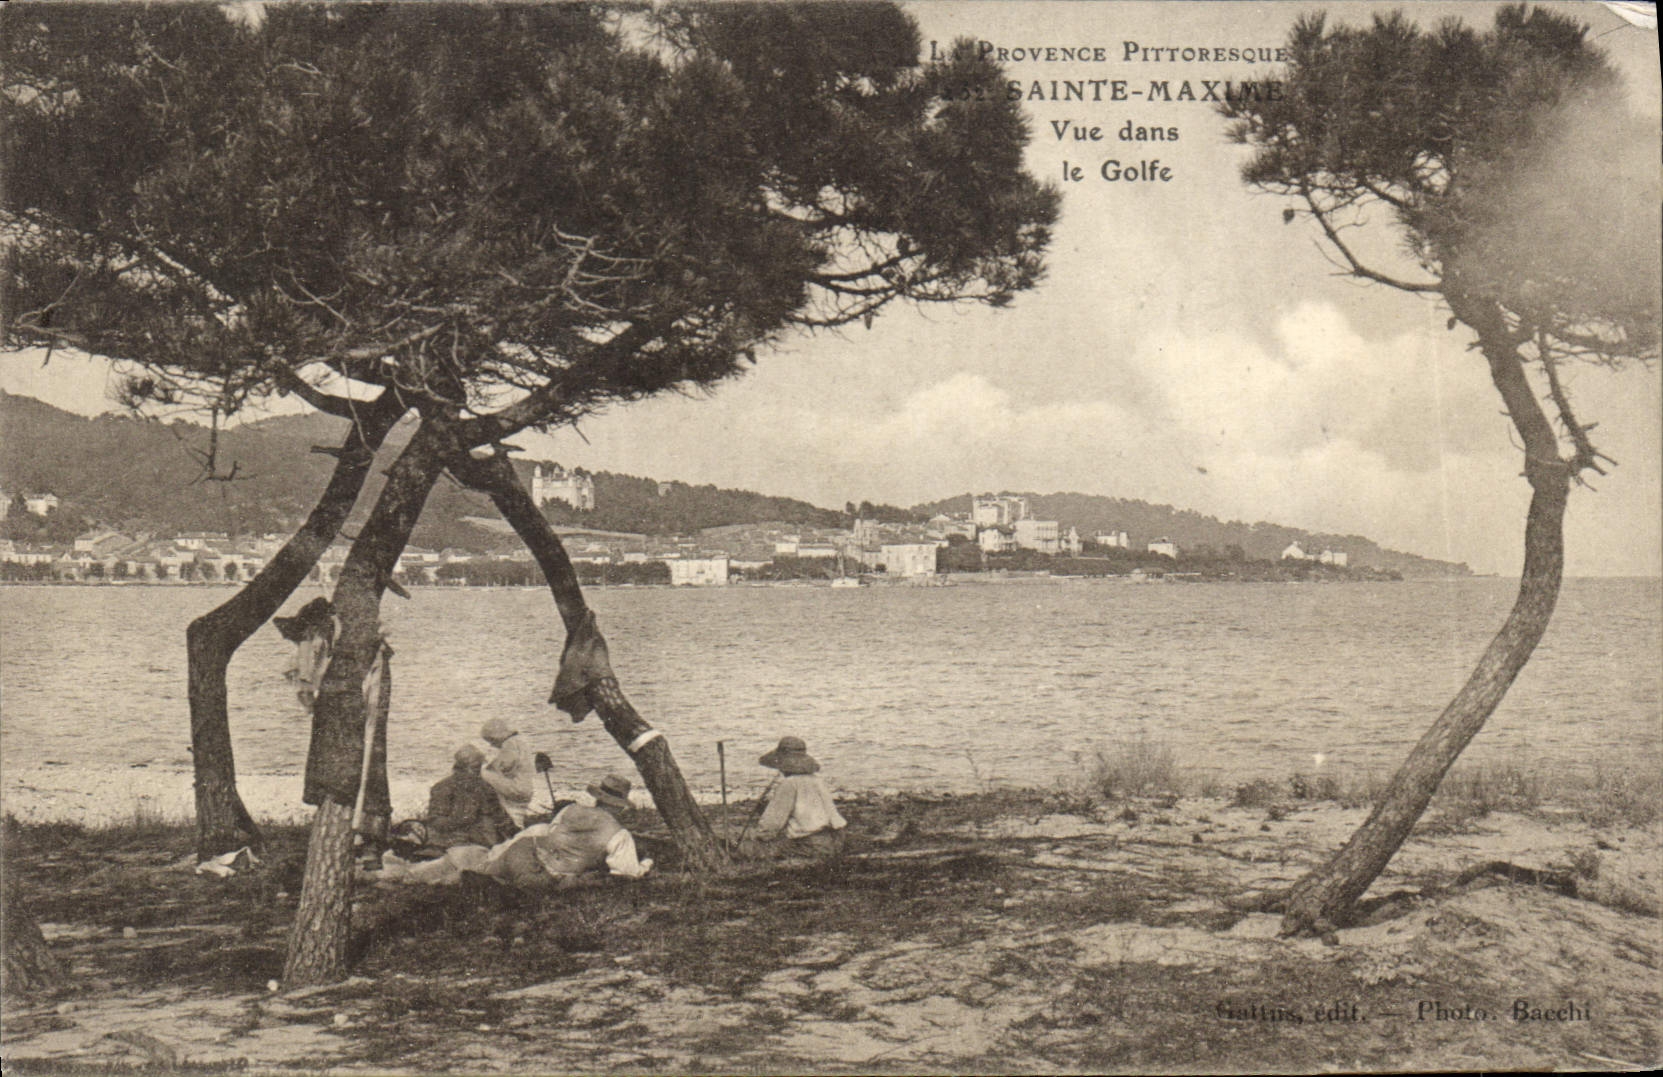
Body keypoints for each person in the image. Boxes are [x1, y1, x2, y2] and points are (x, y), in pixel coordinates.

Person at [378, 773, 652, 890]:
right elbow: (626, 874)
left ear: (598, 797)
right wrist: (647, 863)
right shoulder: (619, 834)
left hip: (524, 850)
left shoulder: (571, 810)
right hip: (541, 872)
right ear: (620, 805)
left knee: (482, 865)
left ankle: (397, 873)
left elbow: (550, 831)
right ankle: (413, 877)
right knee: (465, 880)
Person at [739, 736, 846, 859]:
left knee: (746, 849)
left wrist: (760, 837)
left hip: (811, 844)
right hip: (837, 839)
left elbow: (771, 824)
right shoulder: (817, 780)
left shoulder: (789, 783)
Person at [424, 743, 516, 849]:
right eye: (475, 768)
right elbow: (435, 821)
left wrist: (517, 833)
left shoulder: (484, 787)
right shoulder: (444, 788)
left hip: (484, 842)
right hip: (453, 842)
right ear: (460, 768)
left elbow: (500, 815)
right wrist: (460, 821)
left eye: (479, 768)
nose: (478, 772)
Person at [479, 717, 534, 828]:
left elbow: (504, 765)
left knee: (481, 772)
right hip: (525, 788)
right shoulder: (520, 741)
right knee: (516, 813)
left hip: (516, 788)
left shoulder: (509, 744)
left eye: (491, 741)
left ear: (497, 736)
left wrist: (487, 766)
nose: (492, 745)